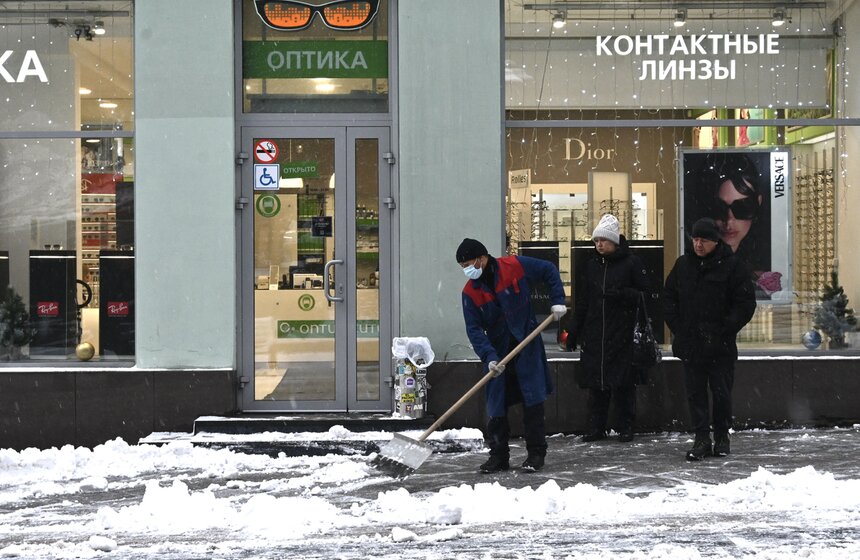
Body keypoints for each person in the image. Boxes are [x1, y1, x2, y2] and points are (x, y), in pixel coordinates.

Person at [456, 237, 567, 473]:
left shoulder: (513, 266)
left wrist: (557, 301)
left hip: (526, 344)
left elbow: (548, 270)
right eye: (462, 265)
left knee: (533, 402)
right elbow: (474, 330)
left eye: (469, 263)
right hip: (498, 352)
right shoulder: (470, 293)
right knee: (496, 407)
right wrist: (489, 357)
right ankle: (498, 456)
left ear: (482, 258)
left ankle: (536, 455)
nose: (467, 269)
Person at [663, 218, 756, 461]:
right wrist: (679, 328)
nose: (698, 244)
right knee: (695, 394)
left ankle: (722, 435)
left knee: (721, 393)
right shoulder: (683, 265)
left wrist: (726, 327)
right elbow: (668, 298)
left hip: (720, 345)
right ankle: (701, 438)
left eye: (703, 240)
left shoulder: (733, 266)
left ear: (715, 241)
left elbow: (745, 304)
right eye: (695, 239)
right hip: (691, 344)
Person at [565, 214, 650, 443]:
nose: (599, 244)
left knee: (623, 383)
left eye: (603, 240)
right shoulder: (591, 265)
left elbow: (646, 294)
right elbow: (582, 301)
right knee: (597, 383)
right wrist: (574, 331)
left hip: (621, 331)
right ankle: (596, 426)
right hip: (595, 332)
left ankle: (625, 426)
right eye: (596, 240)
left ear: (614, 241)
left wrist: (622, 295)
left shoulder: (631, 263)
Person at [701, 153, 780, 297]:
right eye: (721, 208)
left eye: (742, 208)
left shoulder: (765, 264)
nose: (729, 220)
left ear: (758, 203)